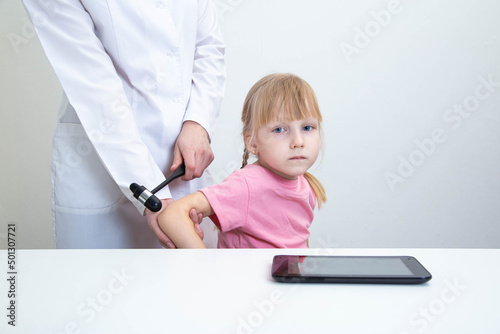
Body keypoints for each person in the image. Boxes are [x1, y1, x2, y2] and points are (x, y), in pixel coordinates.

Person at [22, 0, 225, 248]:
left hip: (185, 168)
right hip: (103, 170)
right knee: (96, 283)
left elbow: (208, 46)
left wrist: (198, 122)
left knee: (195, 282)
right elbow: (94, 86)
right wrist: (151, 195)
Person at [158, 73, 326, 248]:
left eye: (307, 127)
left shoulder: (306, 185)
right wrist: (205, 268)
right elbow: (173, 215)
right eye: (279, 129)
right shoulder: (247, 185)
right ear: (252, 142)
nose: (298, 142)